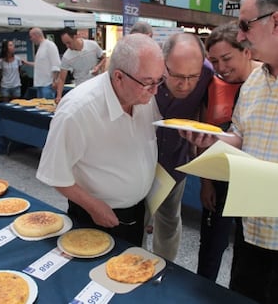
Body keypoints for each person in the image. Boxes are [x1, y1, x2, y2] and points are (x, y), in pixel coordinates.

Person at [181, 0, 278, 302]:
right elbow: (240, 135)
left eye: (246, 26)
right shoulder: (253, 84)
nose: (240, 36)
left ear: (275, 21)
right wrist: (213, 140)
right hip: (251, 227)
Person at [36, 34, 165, 246]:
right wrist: (93, 206)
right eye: (148, 82)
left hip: (138, 209)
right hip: (95, 214)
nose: (155, 90)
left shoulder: (144, 97)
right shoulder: (77, 111)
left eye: (159, 80)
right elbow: (54, 173)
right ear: (118, 77)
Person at [197, 22, 262, 282]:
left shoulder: (265, 84)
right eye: (214, 61)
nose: (221, 68)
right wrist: (206, 183)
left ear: (246, 51)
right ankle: (200, 293)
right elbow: (203, 136)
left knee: (250, 253)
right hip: (220, 181)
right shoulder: (212, 86)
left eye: (226, 58)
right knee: (212, 246)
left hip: (256, 184)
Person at [153, 33, 213, 261]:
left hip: (174, 160)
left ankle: (162, 269)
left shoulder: (208, 73)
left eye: (192, 77)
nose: (185, 85)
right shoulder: (147, 68)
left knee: (168, 220)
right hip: (139, 157)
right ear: (163, 62)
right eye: (177, 76)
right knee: (134, 219)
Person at [55, 27, 106, 103]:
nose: (67, 46)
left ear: (75, 37)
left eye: (69, 42)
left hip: (96, 86)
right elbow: (62, 78)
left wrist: (98, 67)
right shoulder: (67, 56)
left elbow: (104, 58)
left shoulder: (92, 45)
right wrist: (59, 96)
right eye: (65, 44)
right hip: (80, 88)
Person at [28, 27, 61, 99]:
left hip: (48, 83)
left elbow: (56, 64)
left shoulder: (50, 45)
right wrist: (26, 63)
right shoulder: (40, 47)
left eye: (31, 37)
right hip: (40, 84)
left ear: (36, 35)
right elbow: (39, 65)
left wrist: (55, 81)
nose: (31, 39)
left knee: (47, 107)